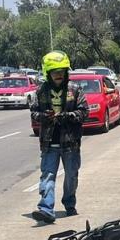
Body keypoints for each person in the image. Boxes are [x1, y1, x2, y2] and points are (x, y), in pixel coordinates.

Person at [30, 51, 88, 224]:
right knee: (47, 176)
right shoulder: (41, 91)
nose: (58, 75)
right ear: (48, 73)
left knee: (71, 176)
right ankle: (46, 209)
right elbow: (33, 112)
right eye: (55, 72)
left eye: (61, 71)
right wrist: (43, 116)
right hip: (49, 144)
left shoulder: (75, 90)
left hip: (71, 144)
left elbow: (84, 112)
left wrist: (68, 116)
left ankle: (69, 204)